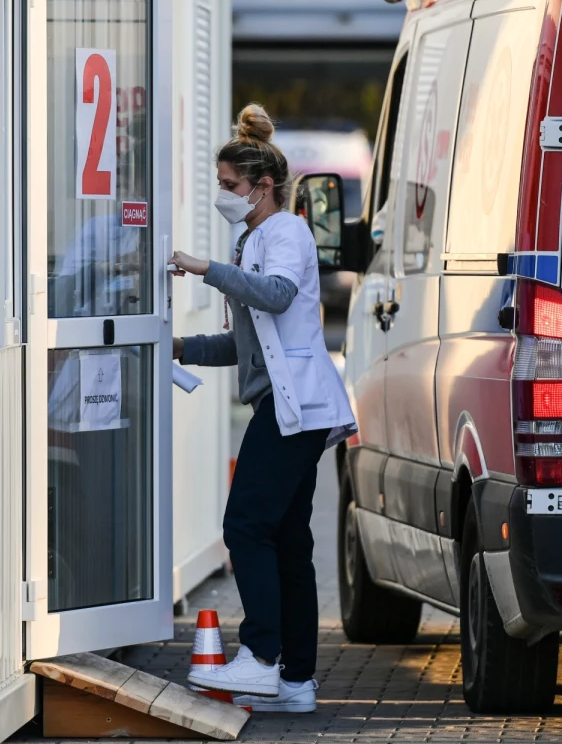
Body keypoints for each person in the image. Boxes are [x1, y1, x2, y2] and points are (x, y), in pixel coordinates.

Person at [171, 104, 355, 713]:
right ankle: (296, 682)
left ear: (263, 186)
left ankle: (260, 657)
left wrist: (206, 270)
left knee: (245, 527)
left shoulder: (288, 232)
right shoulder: (251, 237)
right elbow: (243, 345)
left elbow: (275, 298)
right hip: (288, 401)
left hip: (294, 404)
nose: (223, 194)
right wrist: (175, 348)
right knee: (285, 541)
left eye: (230, 186)